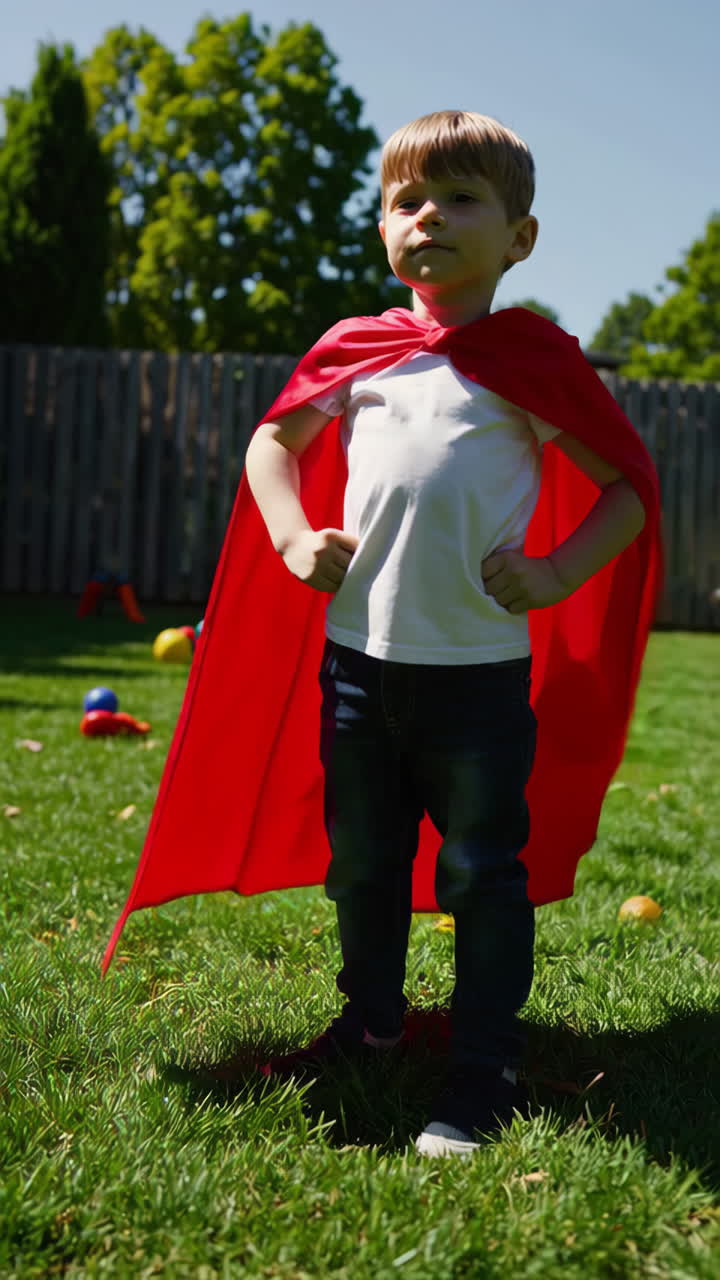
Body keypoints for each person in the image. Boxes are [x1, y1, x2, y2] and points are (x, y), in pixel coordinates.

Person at [102, 110, 661, 1161]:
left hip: (480, 682)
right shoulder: (358, 351)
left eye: (459, 199)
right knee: (362, 861)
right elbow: (276, 439)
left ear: (519, 238)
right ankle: (371, 1022)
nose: (429, 218)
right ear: (383, 229)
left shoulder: (527, 362)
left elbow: (628, 488)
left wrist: (553, 571)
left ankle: (485, 1064)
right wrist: (287, 530)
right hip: (359, 671)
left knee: (481, 871)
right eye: (408, 201)